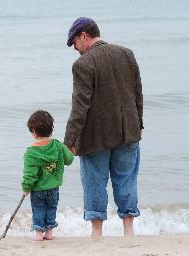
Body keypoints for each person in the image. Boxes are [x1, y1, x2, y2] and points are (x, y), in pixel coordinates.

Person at [64, 17, 143, 237]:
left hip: (95, 136)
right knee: (126, 179)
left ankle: (97, 233)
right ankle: (129, 231)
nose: (74, 49)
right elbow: (137, 93)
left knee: (94, 183)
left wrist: (68, 142)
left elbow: (80, 107)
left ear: (84, 36)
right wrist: (140, 123)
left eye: (74, 43)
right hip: (128, 130)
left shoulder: (83, 64)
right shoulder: (126, 53)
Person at [22, 110, 74, 241]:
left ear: (34, 131)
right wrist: (69, 150)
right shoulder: (58, 145)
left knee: (38, 209)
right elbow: (69, 159)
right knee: (51, 208)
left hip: (38, 189)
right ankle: (49, 233)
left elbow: (30, 174)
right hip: (53, 188)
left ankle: (39, 234)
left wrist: (26, 187)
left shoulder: (31, 152)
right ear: (51, 129)